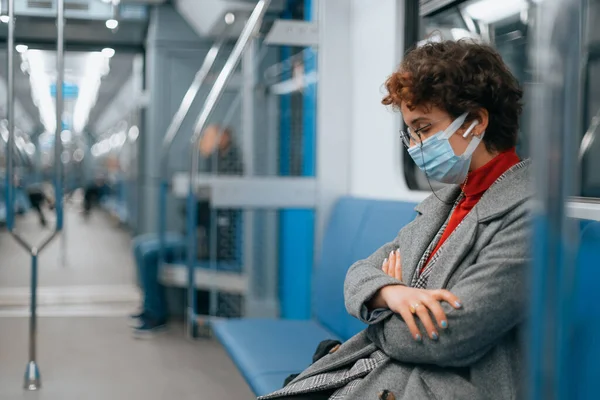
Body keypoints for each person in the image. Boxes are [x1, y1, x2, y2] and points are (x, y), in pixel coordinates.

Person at [259, 40, 530, 400]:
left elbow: (450, 335)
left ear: (476, 122)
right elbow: (359, 273)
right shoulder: (443, 203)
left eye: (424, 128)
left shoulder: (528, 215)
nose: (416, 144)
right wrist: (393, 291)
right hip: (393, 371)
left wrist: (378, 313)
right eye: (411, 132)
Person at [131, 124, 243, 337]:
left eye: (207, 136)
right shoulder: (215, 164)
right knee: (139, 244)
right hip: (198, 236)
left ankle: (156, 314)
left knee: (149, 253)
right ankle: (149, 307)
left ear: (222, 137)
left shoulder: (229, 166)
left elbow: (204, 211)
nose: (202, 142)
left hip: (208, 243)